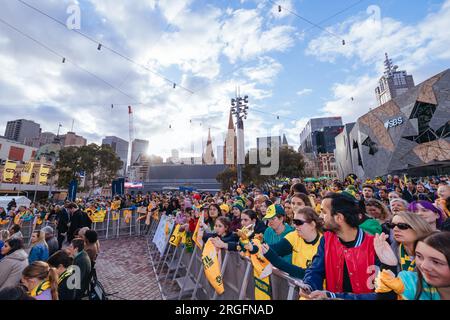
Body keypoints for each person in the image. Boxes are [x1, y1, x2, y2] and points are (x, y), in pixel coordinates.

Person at [300, 193, 392, 300]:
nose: (320, 216)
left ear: (339, 217)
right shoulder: (326, 239)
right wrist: (309, 286)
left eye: (324, 212)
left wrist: (334, 296)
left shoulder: (376, 245)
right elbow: (315, 270)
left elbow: (383, 295)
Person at [376, 232, 450, 300]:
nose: (423, 266)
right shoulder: (409, 282)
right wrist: (389, 266)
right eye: (419, 256)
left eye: (436, 262)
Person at [262, 207, 324, 278]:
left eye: (298, 222)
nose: (295, 225)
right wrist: (254, 247)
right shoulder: (295, 235)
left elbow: (305, 274)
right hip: (295, 285)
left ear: (312, 225)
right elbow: (277, 248)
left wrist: (275, 260)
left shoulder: (323, 244)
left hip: (315, 288)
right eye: (294, 222)